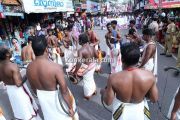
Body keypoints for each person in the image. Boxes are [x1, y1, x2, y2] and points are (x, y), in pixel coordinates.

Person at [101, 43, 158, 120]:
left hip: (121, 114)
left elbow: (108, 102)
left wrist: (103, 92)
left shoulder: (113, 78)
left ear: (122, 59)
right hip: (139, 112)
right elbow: (154, 99)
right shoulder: (149, 76)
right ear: (139, 58)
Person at [26, 35, 79, 120]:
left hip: (43, 100)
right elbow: (64, 91)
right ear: (46, 49)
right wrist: (70, 108)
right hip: (57, 99)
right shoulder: (55, 67)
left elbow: (34, 91)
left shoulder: (29, 68)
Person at [0, 46, 40, 120]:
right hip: (18, 92)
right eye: (9, 50)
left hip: (10, 91)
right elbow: (18, 84)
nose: (11, 51)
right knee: (27, 111)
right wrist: (27, 73)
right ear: (7, 54)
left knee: (20, 111)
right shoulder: (12, 66)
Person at [73, 33, 98, 100]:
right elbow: (97, 56)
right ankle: (93, 90)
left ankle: (87, 95)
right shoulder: (92, 47)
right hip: (93, 65)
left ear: (81, 41)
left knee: (86, 80)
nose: (78, 42)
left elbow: (79, 62)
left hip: (87, 67)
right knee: (91, 78)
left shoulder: (81, 50)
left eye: (79, 40)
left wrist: (75, 71)